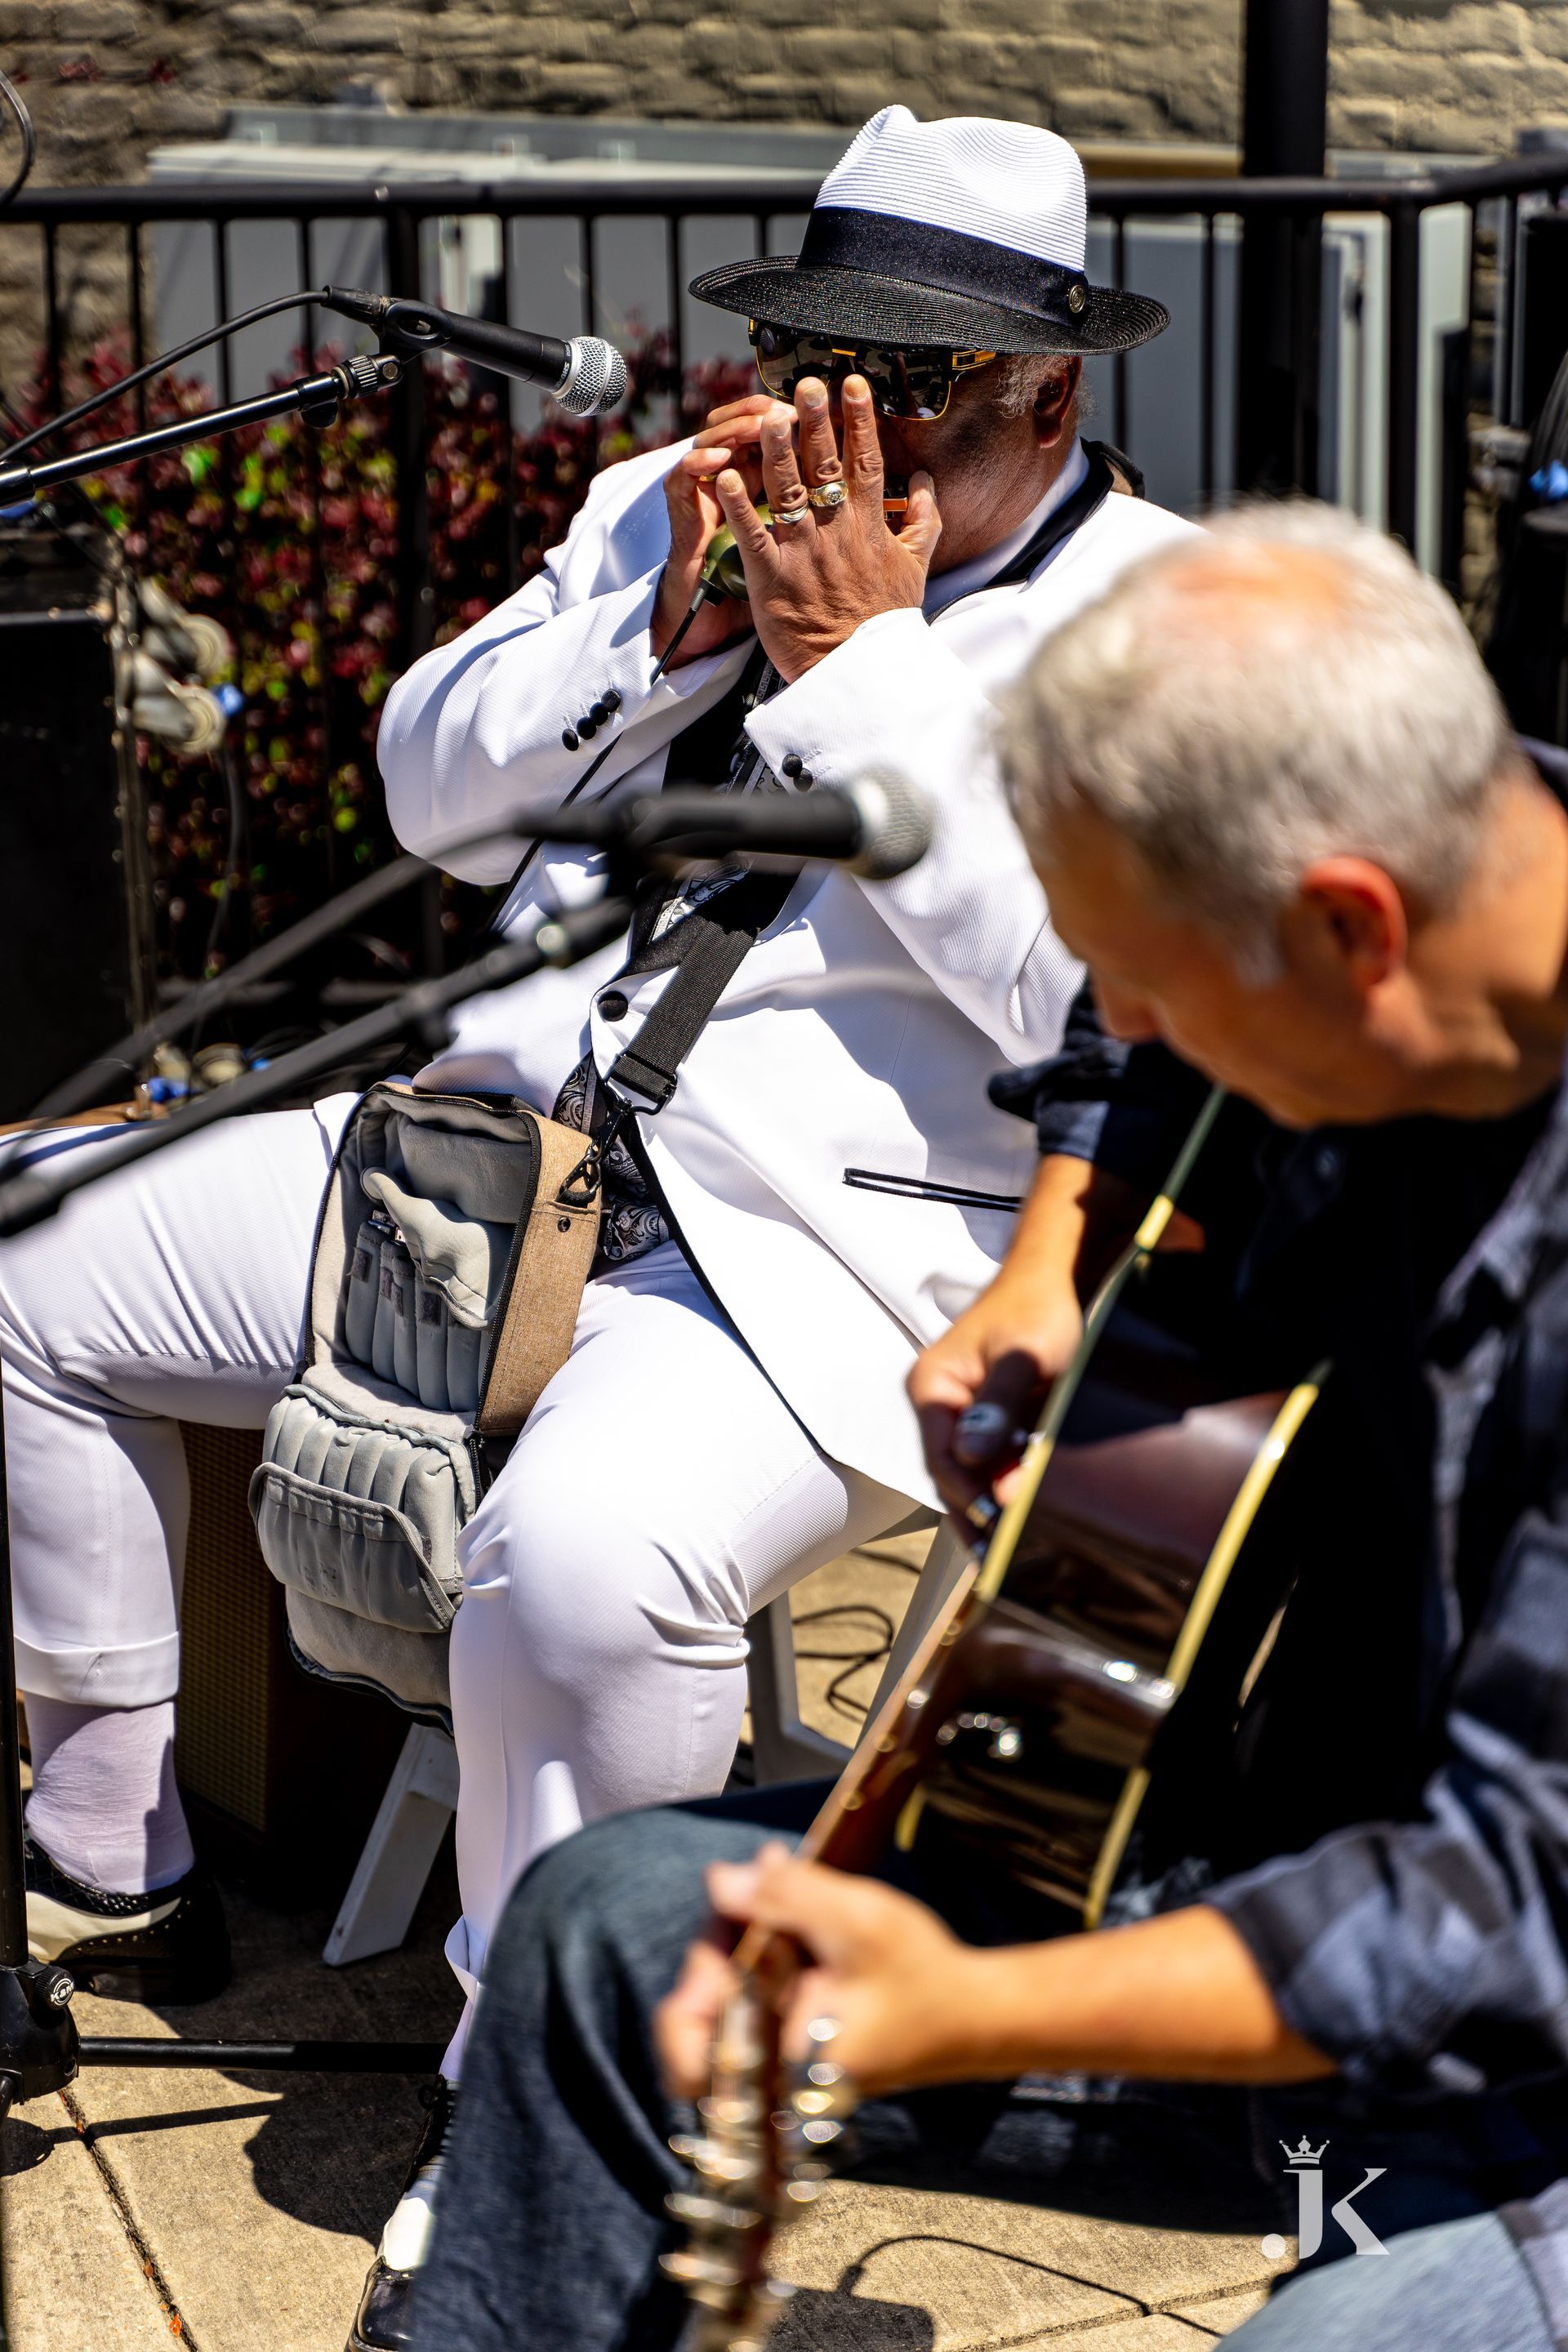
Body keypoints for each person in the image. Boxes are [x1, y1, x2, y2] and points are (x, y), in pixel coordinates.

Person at [0, 106, 1192, 2350]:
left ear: (1054, 390)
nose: (852, 419)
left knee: (582, 1568)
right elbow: (430, 798)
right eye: (826, 349)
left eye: (917, 381)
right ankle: (115, 1847)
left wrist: (855, 662)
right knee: (24, 1263)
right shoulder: (674, 501)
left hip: (797, 1257)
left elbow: (1103, 999)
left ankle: (532, 2121)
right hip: (491, 1151)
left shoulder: (1163, 618)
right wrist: (657, 616)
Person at [405, 505, 1568, 2352]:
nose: (1116, 1028)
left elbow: (1508, 1917)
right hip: (1279, 1881)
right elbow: (1128, 1064)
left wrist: (957, 2010)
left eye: (1156, 980)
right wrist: (1049, 1267)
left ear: (1352, 928)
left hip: (1516, 2045)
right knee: (610, 1928)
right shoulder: (1423, 861)